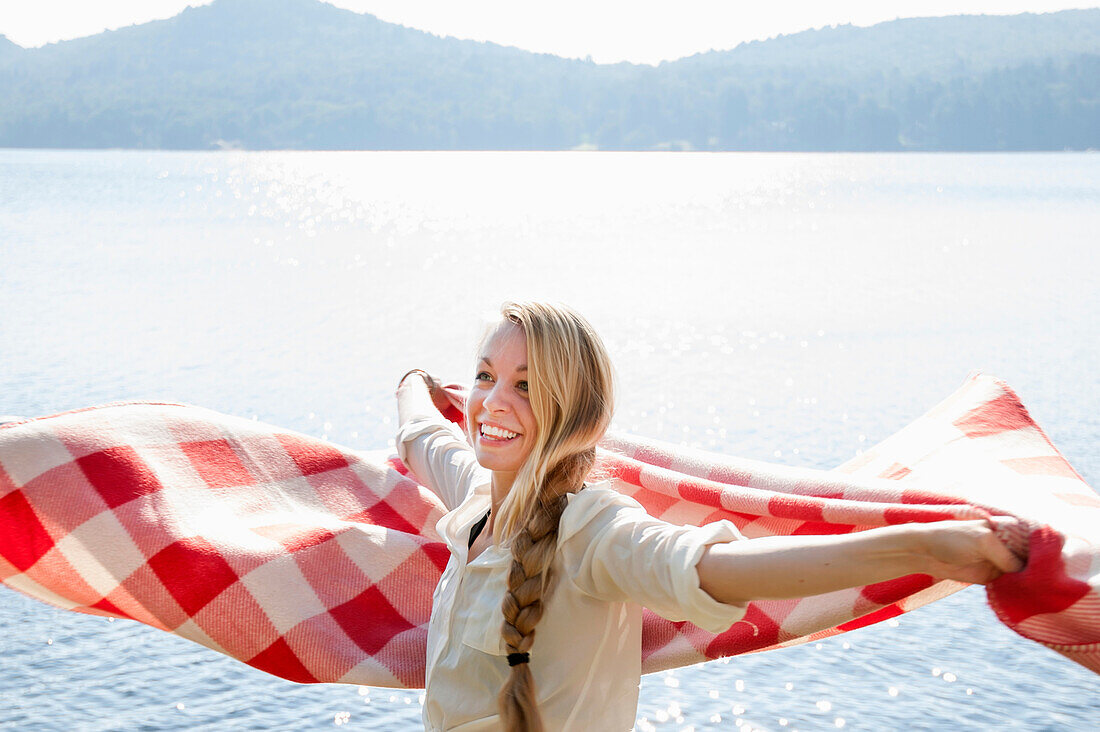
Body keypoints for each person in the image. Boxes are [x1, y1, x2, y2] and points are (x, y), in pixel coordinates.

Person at [395, 301, 1023, 732]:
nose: (492, 401)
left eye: (526, 385)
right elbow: (420, 435)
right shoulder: (478, 498)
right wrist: (417, 379)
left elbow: (723, 569)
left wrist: (921, 548)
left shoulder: (592, 531)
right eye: (485, 375)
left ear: (573, 414)